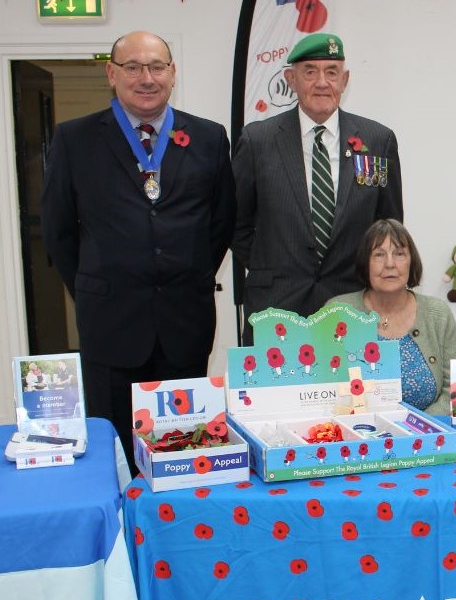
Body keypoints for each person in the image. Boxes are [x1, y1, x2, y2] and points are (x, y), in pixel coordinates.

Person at [41, 31, 236, 474]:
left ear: (172, 74)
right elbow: (58, 233)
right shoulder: (75, 140)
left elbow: (221, 222)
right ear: (112, 74)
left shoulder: (207, 137)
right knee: (113, 457)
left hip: (185, 323)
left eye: (157, 67)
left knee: (185, 451)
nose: (146, 78)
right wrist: (97, 285)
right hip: (110, 325)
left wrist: (186, 274)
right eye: (132, 67)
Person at [233, 32, 403, 344]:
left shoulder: (377, 140)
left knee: (351, 393)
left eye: (331, 71)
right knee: (274, 393)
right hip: (275, 304)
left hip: (353, 303)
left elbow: (389, 225)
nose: (321, 82)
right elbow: (236, 223)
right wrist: (272, 264)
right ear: (291, 79)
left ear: (345, 79)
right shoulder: (258, 141)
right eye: (310, 71)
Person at [333, 219, 456, 415]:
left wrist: (415, 427)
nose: (390, 264)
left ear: (412, 261)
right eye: (379, 255)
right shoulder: (338, 311)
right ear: (365, 263)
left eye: (399, 254)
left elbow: (453, 390)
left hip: (426, 435)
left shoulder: (438, 314)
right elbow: (321, 387)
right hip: (355, 435)